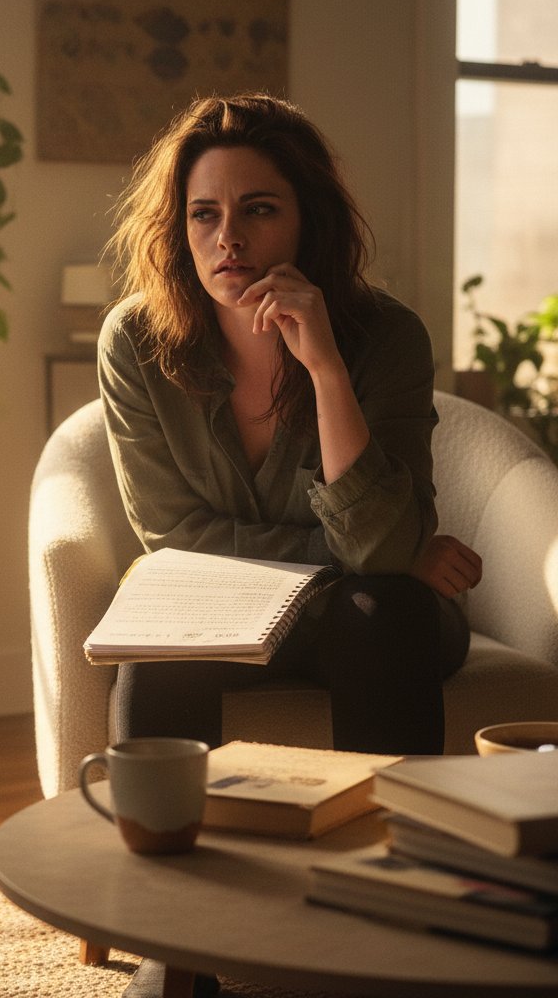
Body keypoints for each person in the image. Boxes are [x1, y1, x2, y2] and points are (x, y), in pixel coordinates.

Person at [99, 92, 483, 762]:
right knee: (158, 642)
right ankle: (164, 854)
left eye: (260, 209)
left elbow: (382, 553)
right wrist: (359, 556)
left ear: (310, 219)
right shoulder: (135, 342)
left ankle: (391, 853)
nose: (229, 238)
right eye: (204, 214)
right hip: (224, 613)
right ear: (178, 230)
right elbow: (176, 537)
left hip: (371, 618)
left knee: (382, 606)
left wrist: (327, 369)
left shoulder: (388, 336)